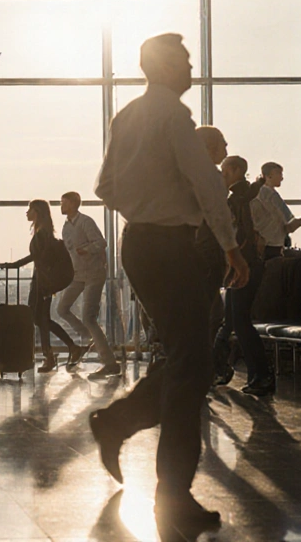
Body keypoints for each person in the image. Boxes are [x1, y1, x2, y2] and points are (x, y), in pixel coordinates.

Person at [89, 34, 249, 530]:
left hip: (138, 242)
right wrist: (229, 244)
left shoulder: (125, 116)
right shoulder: (174, 116)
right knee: (193, 365)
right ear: (163, 66)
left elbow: (104, 186)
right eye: (183, 59)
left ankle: (118, 424)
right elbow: (207, 183)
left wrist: (145, 205)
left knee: (187, 359)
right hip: (169, 244)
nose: (191, 65)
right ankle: (171, 495)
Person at [0, 200, 82, 373]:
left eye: (30, 210)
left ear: (37, 212)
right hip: (43, 282)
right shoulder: (44, 233)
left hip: (42, 283)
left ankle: (52, 355)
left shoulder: (42, 234)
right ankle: (65, 350)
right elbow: (37, 258)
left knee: (40, 319)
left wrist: (12, 266)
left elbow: (34, 258)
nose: (27, 213)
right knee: (40, 319)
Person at [216, 155, 274, 396]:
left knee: (238, 321)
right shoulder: (242, 196)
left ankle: (261, 375)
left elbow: (241, 234)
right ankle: (222, 368)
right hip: (246, 264)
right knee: (231, 320)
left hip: (244, 266)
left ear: (235, 170)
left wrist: (235, 258)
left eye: (224, 170)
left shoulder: (239, 198)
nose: (221, 174)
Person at [56, 191, 120, 379]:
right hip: (77, 275)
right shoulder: (66, 227)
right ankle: (89, 337)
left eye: (64, 202)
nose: (61, 205)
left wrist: (86, 250)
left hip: (93, 274)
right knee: (62, 308)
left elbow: (101, 243)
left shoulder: (85, 222)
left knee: (89, 317)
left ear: (74, 204)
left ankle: (109, 363)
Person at [194, 126, 233, 373]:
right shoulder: (212, 178)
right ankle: (210, 366)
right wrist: (234, 255)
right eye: (223, 145)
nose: (226, 150)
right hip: (207, 255)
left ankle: (206, 366)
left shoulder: (183, 174)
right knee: (211, 314)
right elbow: (220, 220)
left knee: (206, 314)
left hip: (192, 252)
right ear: (210, 148)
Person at [250, 162, 301, 260]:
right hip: (271, 243)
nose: (282, 178)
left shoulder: (257, 194)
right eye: (279, 174)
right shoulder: (270, 195)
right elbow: (289, 225)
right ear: (269, 176)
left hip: (260, 242)